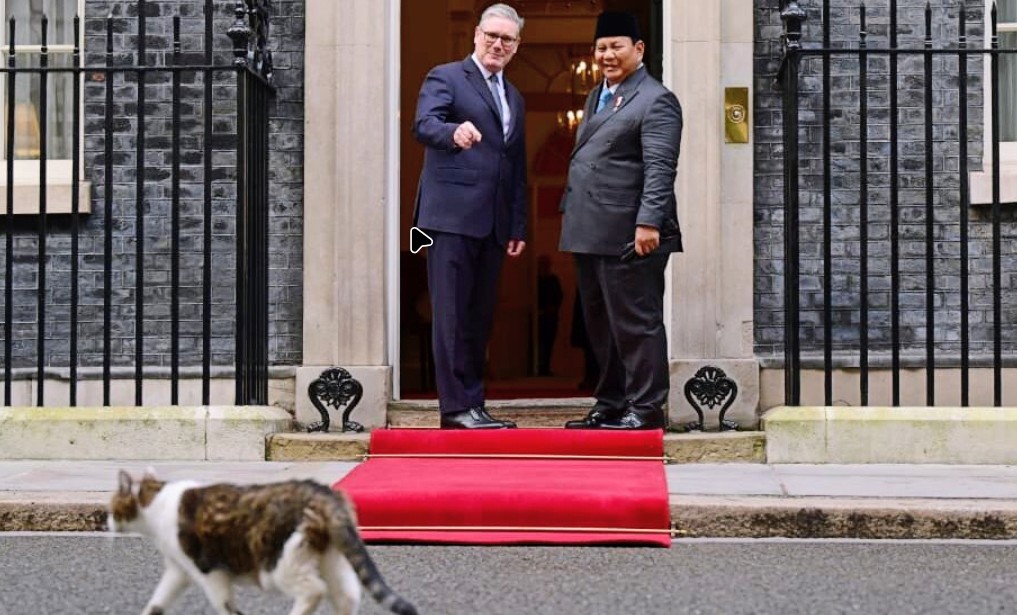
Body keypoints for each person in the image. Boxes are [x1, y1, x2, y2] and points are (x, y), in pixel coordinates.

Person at [558, 11, 683, 430]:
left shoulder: (655, 99)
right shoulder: (597, 94)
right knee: (600, 325)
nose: (607, 55)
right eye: (601, 48)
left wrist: (648, 222)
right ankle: (610, 401)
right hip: (590, 229)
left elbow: (660, 167)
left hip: (631, 232)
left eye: (616, 46)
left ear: (638, 49)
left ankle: (645, 408)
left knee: (635, 322)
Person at [412, 3, 528, 429]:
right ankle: (455, 408)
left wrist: (517, 224)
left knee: (479, 317)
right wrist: (452, 133)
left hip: (494, 223)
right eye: (491, 35)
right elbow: (424, 124)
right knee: (452, 315)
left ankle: (473, 404)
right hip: (451, 217)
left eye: (507, 39)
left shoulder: (513, 95)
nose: (498, 44)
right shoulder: (446, 76)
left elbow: (515, 166)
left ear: (517, 46)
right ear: (476, 35)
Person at [536, 255, 563, 376]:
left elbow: (559, 296)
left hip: (550, 316)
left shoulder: (553, 280)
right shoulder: (533, 281)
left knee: (548, 343)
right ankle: (537, 367)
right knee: (537, 343)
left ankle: (545, 367)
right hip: (537, 316)